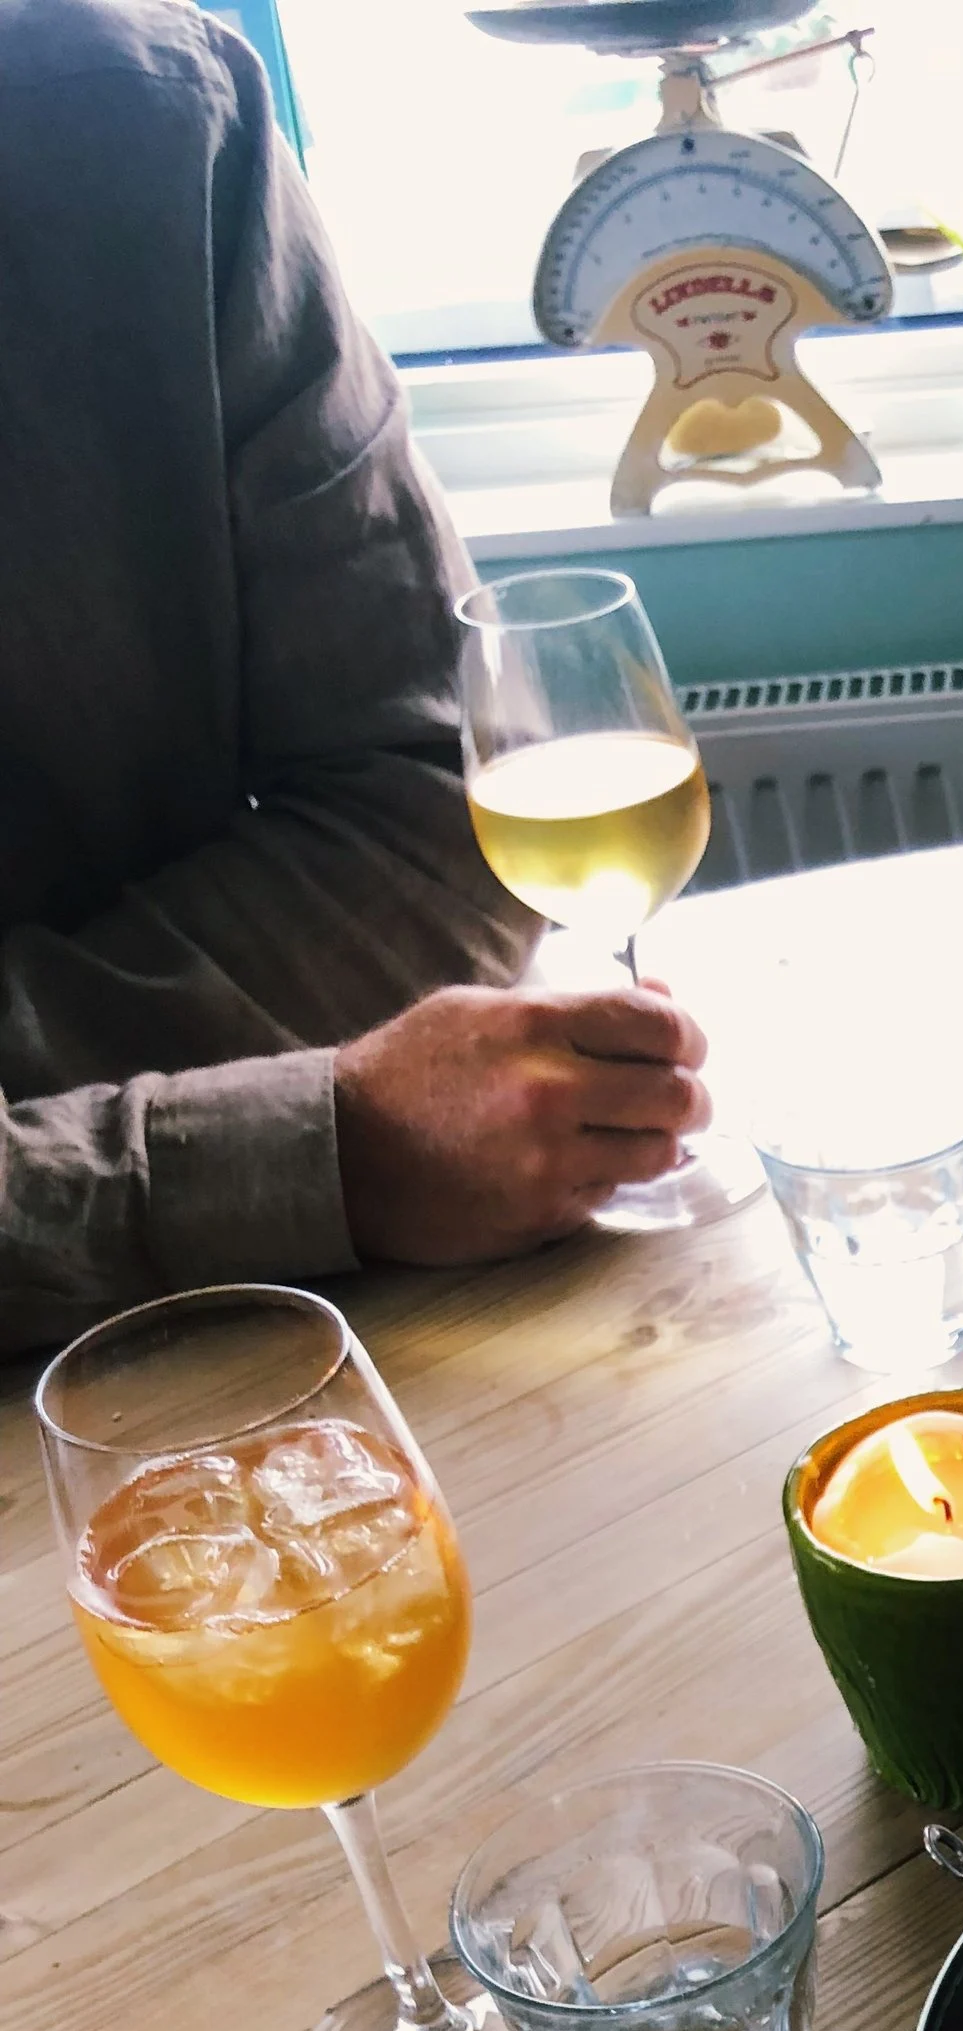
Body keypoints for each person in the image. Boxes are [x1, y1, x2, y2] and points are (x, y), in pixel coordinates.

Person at [0, 0, 714, 1357]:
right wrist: (304, 1150)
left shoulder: (134, 115)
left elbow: (423, 822)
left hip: (275, 1336)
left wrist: (64, 1155)